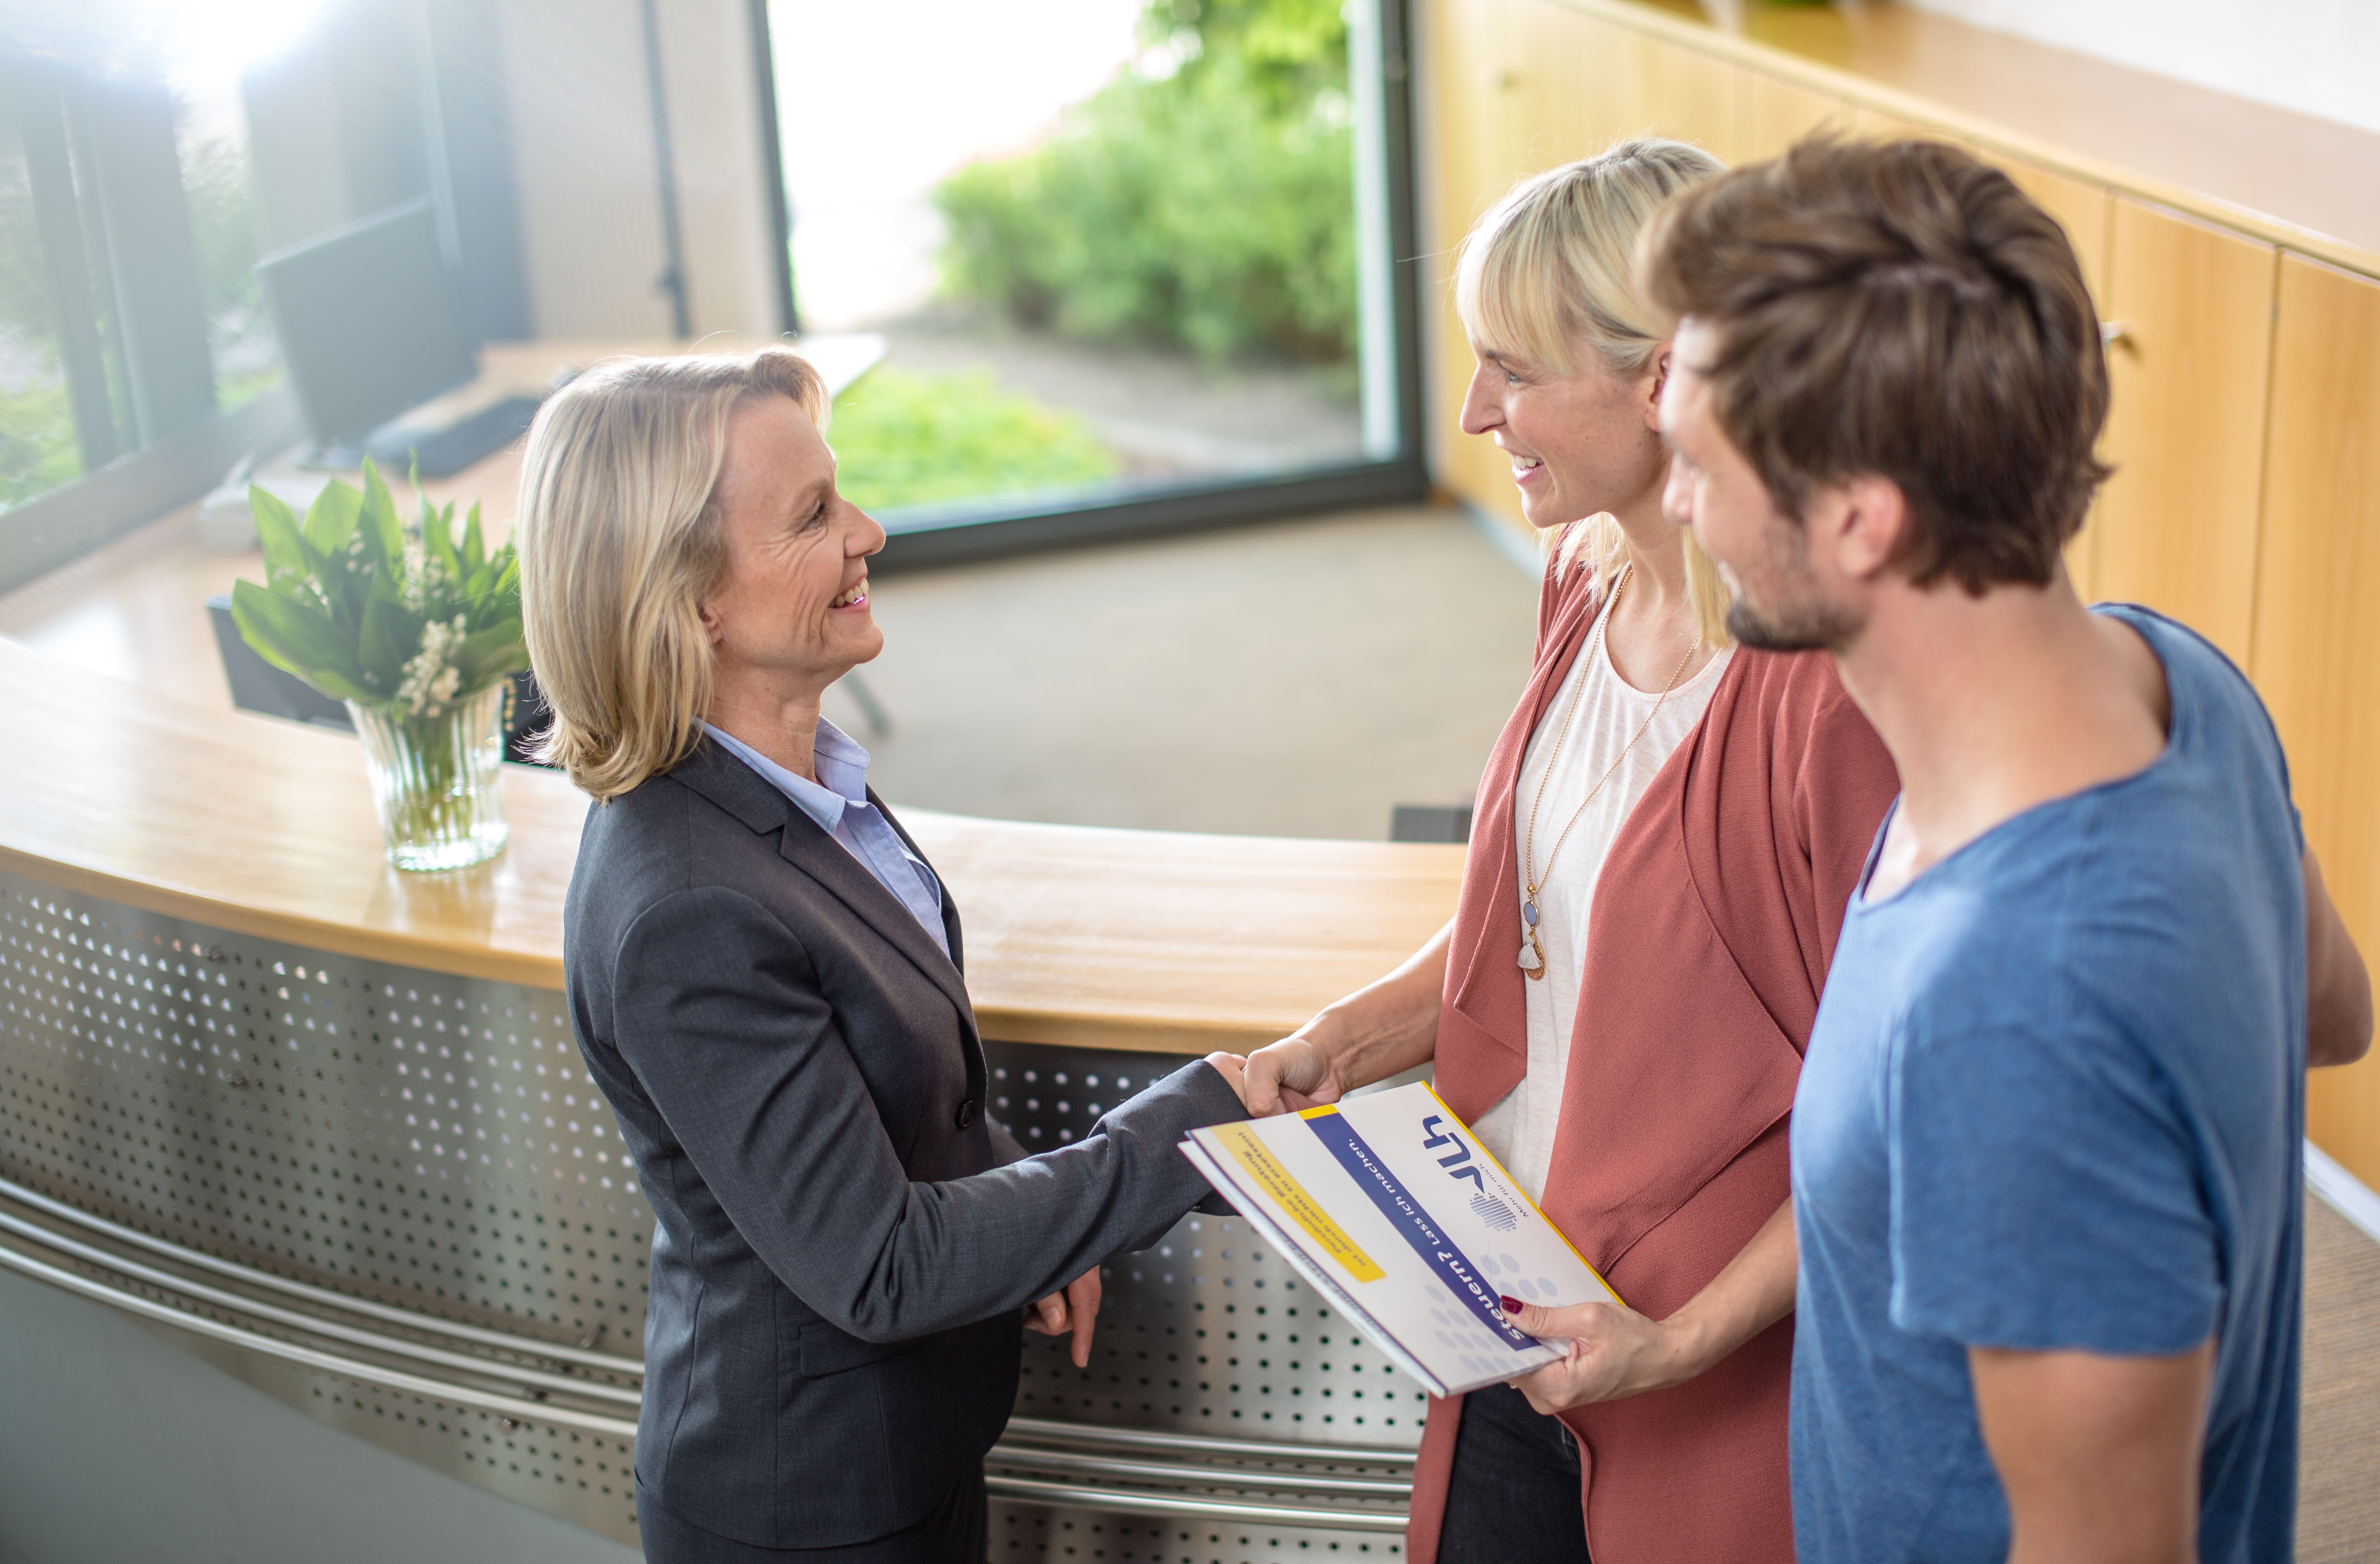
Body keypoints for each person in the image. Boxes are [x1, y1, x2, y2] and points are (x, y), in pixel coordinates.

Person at [1640, 136, 2373, 1564]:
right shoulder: (2176, 682)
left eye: (1699, 464)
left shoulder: (2013, 1011)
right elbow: (2331, 1013)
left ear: (1859, 518)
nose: (1679, 507)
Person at [1244, 140, 1900, 1564]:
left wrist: (1677, 1341)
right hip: (1513, 1295)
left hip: (1701, 1357)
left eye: (1517, 370)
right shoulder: (1582, 570)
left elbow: (1907, 1107)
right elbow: (1546, 910)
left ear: (1669, 376)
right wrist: (1356, 1036)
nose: (1478, 412)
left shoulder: (1824, 690)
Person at [515, 348, 1253, 1564]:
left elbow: (882, 1080)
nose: (871, 532)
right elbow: (880, 1266)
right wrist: (1189, 1129)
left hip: (909, 1452)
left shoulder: (803, 781)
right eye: (812, 517)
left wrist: (1022, 1205)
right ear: (689, 596)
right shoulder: (686, 912)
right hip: (812, 1505)